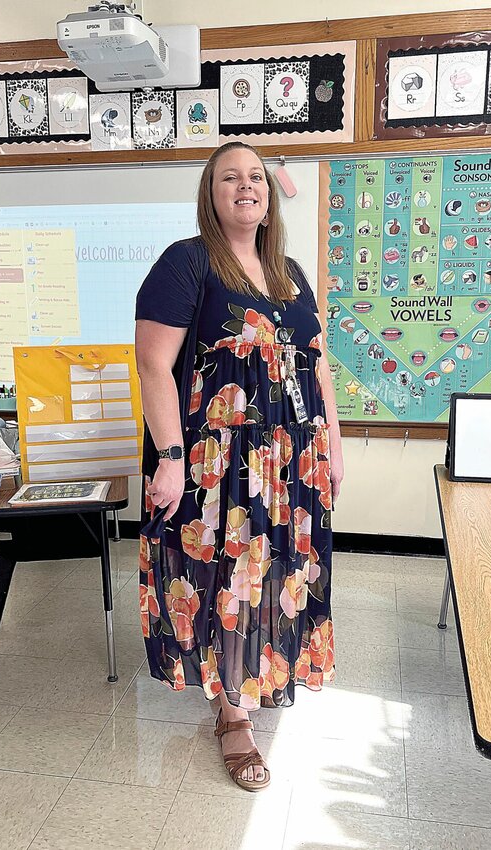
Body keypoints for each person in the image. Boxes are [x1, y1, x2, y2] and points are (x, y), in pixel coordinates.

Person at [135, 141, 344, 792]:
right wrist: (170, 458)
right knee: (231, 578)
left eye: (256, 176)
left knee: (276, 573)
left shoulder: (288, 272)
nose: (246, 186)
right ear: (212, 192)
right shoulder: (187, 262)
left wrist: (332, 444)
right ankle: (234, 714)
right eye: (231, 177)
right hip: (219, 465)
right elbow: (153, 366)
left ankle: (262, 673)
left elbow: (316, 363)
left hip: (291, 464)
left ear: (269, 193)